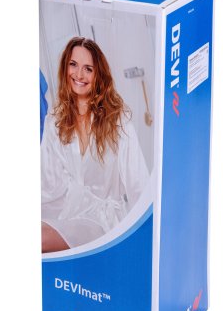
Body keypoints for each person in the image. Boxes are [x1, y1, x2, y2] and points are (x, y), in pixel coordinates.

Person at [41, 37, 150, 253]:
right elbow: (48, 182)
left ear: (98, 74)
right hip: (68, 209)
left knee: (41, 240)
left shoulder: (118, 120)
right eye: (73, 65)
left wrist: (144, 238)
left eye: (88, 69)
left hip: (102, 218)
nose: (79, 75)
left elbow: (139, 184)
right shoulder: (55, 119)